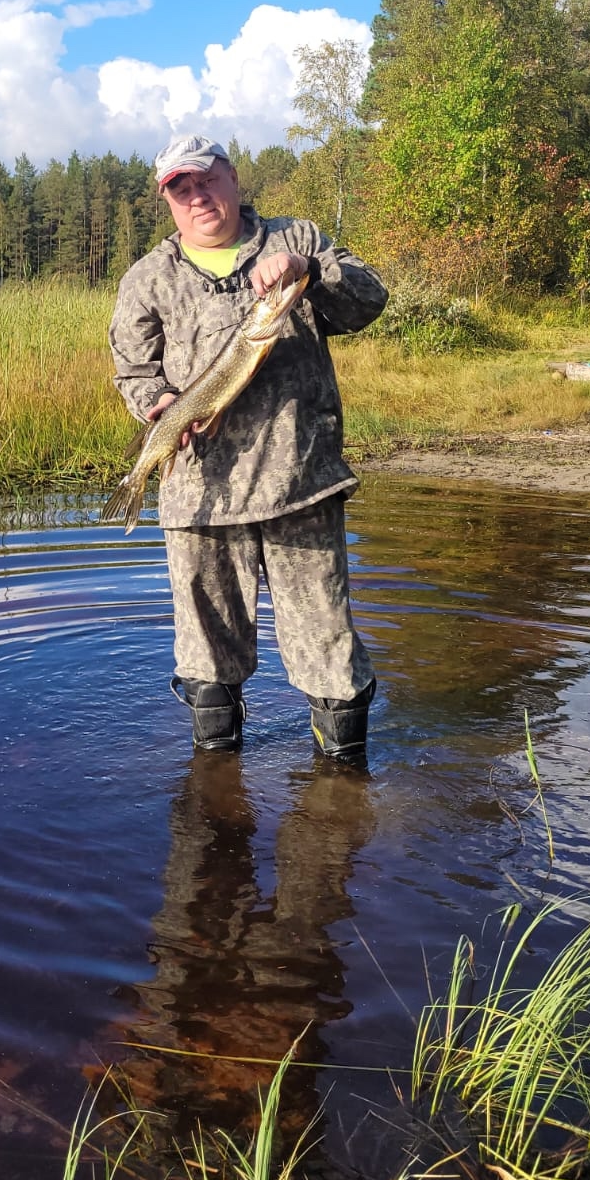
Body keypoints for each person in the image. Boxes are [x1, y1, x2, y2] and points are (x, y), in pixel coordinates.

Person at [108, 133, 389, 761]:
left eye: (206, 180)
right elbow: (133, 369)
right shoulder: (147, 278)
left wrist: (308, 273)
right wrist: (155, 405)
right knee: (207, 657)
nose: (198, 196)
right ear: (170, 203)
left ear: (232, 178)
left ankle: (343, 789)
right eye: (182, 189)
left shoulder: (297, 241)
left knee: (328, 650)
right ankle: (216, 788)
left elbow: (369, 300)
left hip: (301, 484)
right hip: (199, 497)